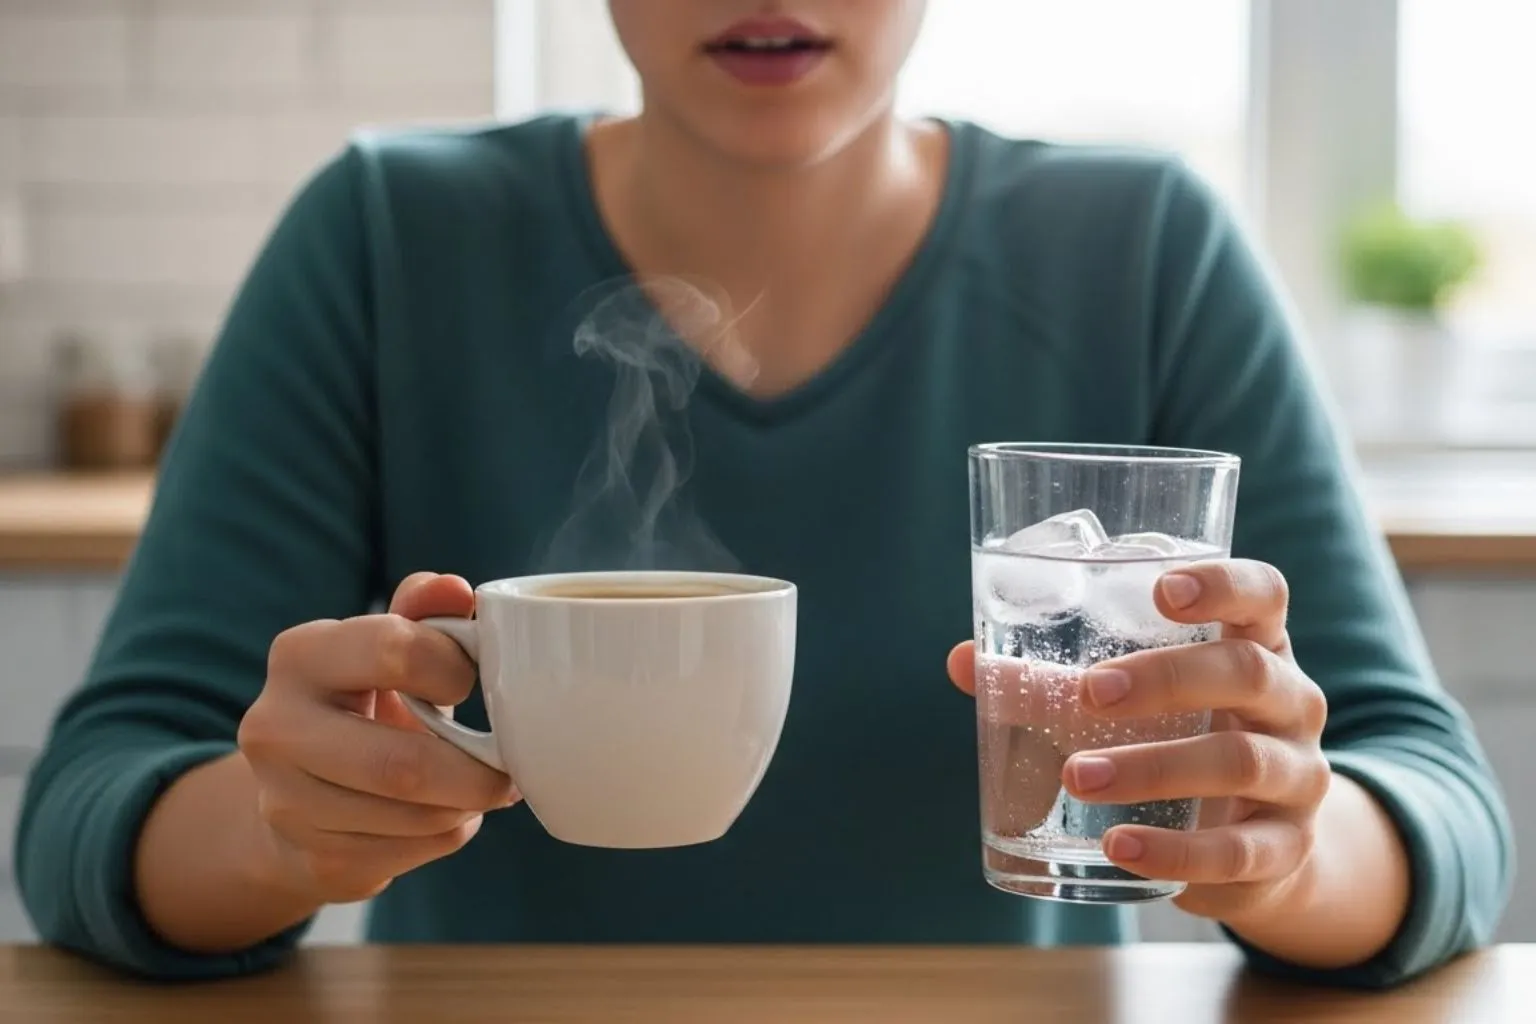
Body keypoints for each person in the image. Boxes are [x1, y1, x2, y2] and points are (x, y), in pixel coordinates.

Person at [15, 0, 1512, 988]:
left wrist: (1287, 847)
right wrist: (281, 833)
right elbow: (89, 816)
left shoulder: (1142, 249)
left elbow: (1439, 812)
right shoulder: (388, 236)